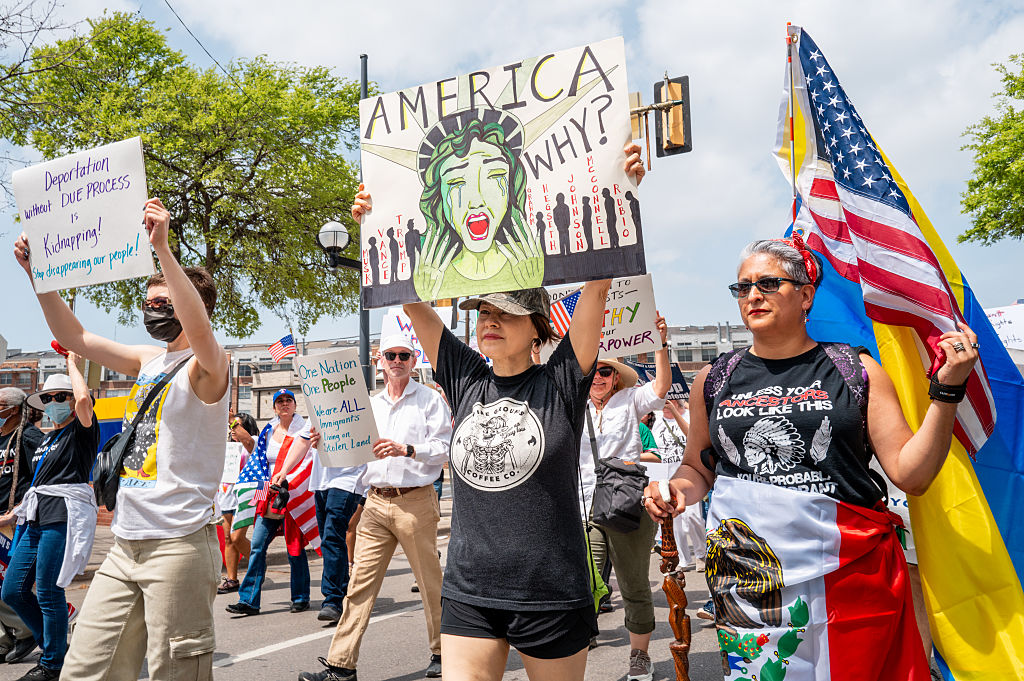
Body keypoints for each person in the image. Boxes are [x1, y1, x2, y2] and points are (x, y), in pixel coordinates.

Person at [314, 143, 642, 681]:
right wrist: (377, 229)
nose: (489, 320)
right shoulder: (466, 376)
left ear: (538, 326)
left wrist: (622, 192)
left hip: (551, 593)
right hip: (469, 593)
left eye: (505, 313)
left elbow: (598, 282)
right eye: (483, 311)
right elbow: (410, 298)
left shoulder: (561, 380)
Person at [645, 236, 978, 681]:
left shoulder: (854, 369)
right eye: (742, 287)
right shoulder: (715, 377)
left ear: (805, 295)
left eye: (767, 283)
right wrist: (673, 490)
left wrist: (947, 392)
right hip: (750, 580)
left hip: (850, 573)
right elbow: (697, 467)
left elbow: (910, 473)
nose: (753, 295)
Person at [15, 197, 231, 680]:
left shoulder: (210, 366)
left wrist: (164, 252)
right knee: (85, 670)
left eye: (164, 303)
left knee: (174, 673)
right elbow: (76, 337)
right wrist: (38, 277)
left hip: (178, 546)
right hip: (124, 545)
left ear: (192, 307)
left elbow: (199, 330)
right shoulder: (144, 360)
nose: (153, 311)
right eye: (148, 303)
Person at [298, 334, 453, 681]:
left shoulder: (429, 400)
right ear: (379, 361)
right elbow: (350, 454)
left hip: (415, 500)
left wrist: (408, 450)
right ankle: (341, 666)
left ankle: (443, 652)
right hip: (376, 501)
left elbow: (445, 447)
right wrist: (327, 441)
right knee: (359, 586)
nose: (397, 360)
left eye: (404, 355)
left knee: (430, 582)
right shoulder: (369, 405)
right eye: (390, 355)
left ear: (413, 362)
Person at [578, 329, 670, 681]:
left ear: (615, 377)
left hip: (626, 504)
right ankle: (575, 646)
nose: (598, 377)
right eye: (593, 371)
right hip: (586, 506)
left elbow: (661, 387)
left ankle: (639, 656)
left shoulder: (630, 399)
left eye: (605, 371)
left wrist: (661, 344)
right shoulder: (575, 407)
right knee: (584, 582)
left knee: (633, 585)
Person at [0, 357, 98, 681]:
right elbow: (37, 483)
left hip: (62, 515)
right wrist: (12, 515)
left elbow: (84, 399)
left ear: (72, 400)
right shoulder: (45, 438)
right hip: (35, 517)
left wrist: (73, 362)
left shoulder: (81, 430)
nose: (53, 402)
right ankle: (57, 650)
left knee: (48, 590)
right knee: (12, 591)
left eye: (60, 396)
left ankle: (52, 665)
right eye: (48, 398)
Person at [413, 109, 543, 301]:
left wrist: (533, 287)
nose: (477, 201)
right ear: (438, 199)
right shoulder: (431, 276)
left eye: (495, 175)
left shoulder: (531, 264)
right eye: (456, 182)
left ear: (512, 188)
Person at [228, 389, 316, 615]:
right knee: (257, 545)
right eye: (280, 401)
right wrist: (231, 423)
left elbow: (309, 462)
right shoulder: (268, 430)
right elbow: (251, 448)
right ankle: (248, 600)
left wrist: (289, 478)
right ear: (274, 407)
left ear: (295, 405)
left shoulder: (305, 429)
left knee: (294, 548)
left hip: (295, 493)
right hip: (269, 493)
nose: (284, 404)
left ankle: (300, 597)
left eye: (289, 400)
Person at [0, 387, 42, 664]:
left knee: (10, 587)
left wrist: (15, 513)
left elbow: (41, 479)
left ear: (14, 409)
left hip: (14, 524)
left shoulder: (29, 437)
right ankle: (10, 636)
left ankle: (27, 630)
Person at [217, 412, 258, 594]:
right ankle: (232, 579)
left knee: (237, 537)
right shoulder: (227, 447)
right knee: (228, 539)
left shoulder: (254, 442)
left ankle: (259, 565)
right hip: (226, 495)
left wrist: (231, 419)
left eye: (238, 426)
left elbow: (248, 442)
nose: (234, 430)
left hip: (246, 494)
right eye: (232, 427)